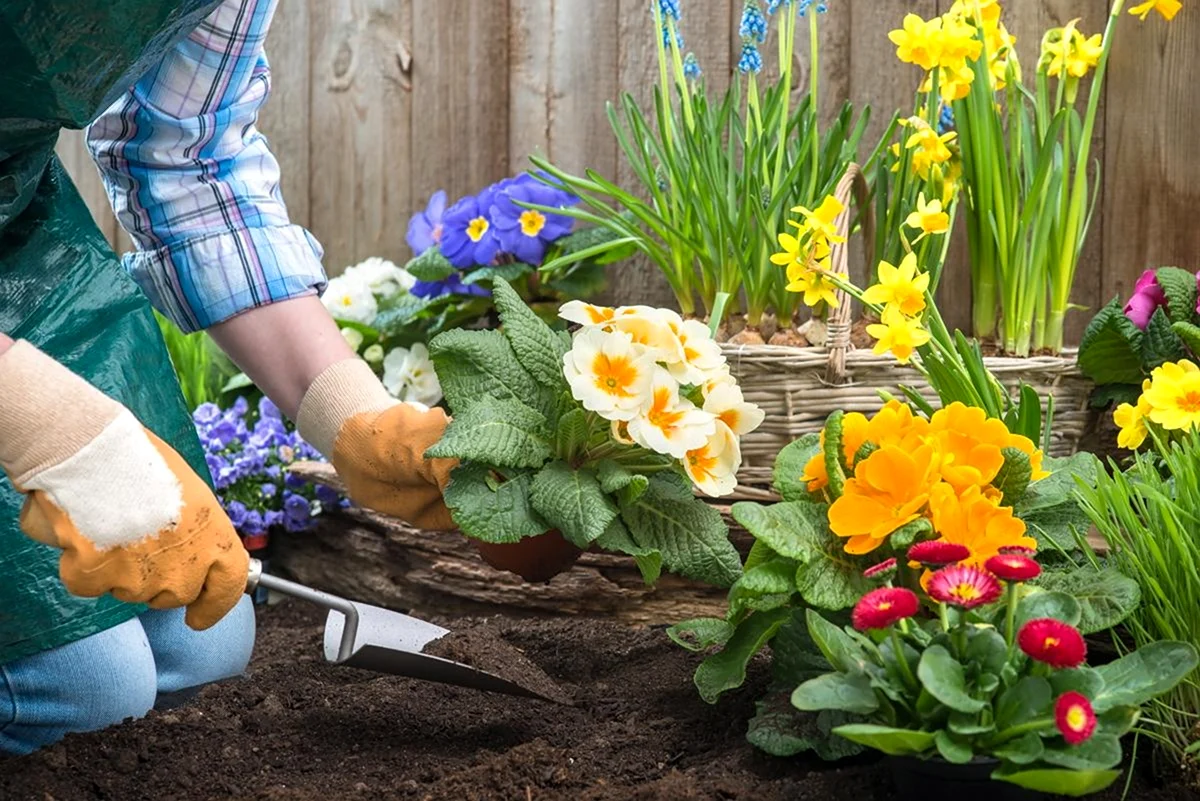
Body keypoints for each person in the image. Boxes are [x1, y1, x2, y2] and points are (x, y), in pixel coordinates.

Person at [0, 0, 454, 755]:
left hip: (19, 239)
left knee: (202, 645)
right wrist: (49, 426)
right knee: (83, 688)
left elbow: (186, 154)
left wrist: (352, 417)